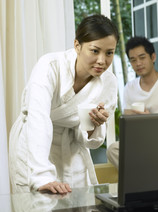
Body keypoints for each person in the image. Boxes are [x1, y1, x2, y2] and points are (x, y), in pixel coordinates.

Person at [9, 14, 119, 194]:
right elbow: (38, 117)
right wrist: (42, 175)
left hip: (72, 150)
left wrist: (94, 125)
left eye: (109, 53)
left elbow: (90, 141)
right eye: (94, 50)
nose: (102, 60)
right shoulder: (50, 66)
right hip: (34, 146)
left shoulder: (109, 83)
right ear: (77, 46)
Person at [107, 36, 158, 168]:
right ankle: (144, 176)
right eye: (133, 60)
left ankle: (143, 176)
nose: (138, 63)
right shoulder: (129, 88)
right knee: (113, 149)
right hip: (142, 142)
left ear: (153, 57)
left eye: (142, 57)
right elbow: (127, 122)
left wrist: (151, 120)